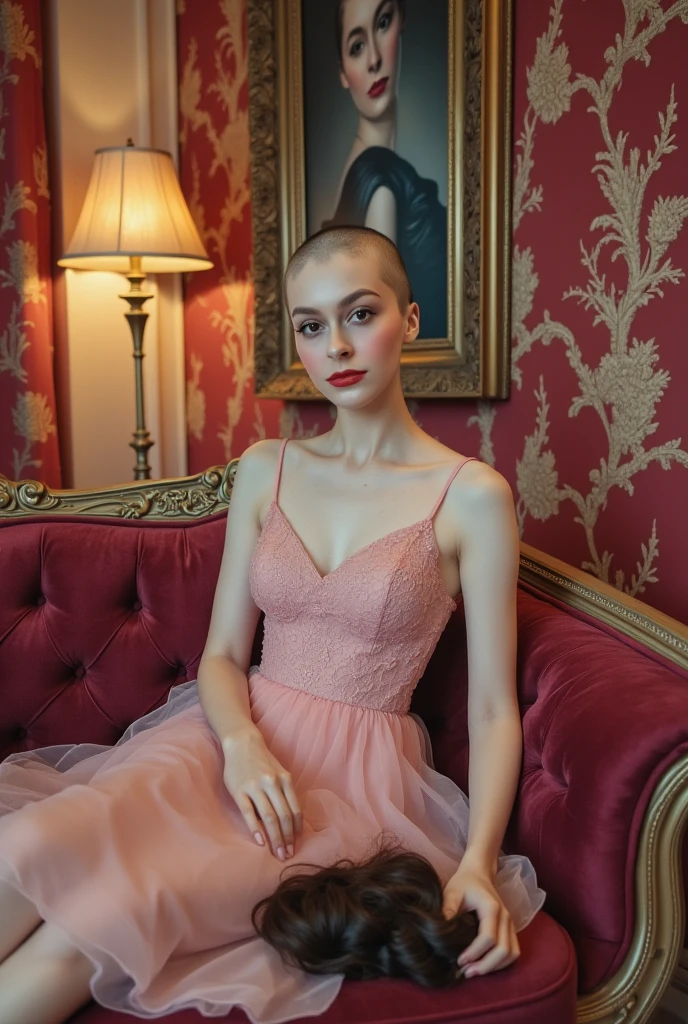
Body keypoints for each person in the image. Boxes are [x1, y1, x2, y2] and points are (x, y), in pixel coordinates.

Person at [0, 226, 544, 1023]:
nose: (336, 345)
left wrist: (478, 861)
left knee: (97, 924)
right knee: (26, 850)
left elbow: (495, 708)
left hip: (348, 790)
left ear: (413, 319)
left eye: (360, 313)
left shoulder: (472, 497)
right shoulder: (266, 467)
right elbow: (223, 654)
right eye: (311, 324)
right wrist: (242, 744)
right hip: (226, 740)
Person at [321, 0, 448, 339]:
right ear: (342, 71)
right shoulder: (379, 184)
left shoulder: (367, 173)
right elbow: (374, 332)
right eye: (357, 46)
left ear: (401, 20)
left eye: (383, 22)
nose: (374, 58)